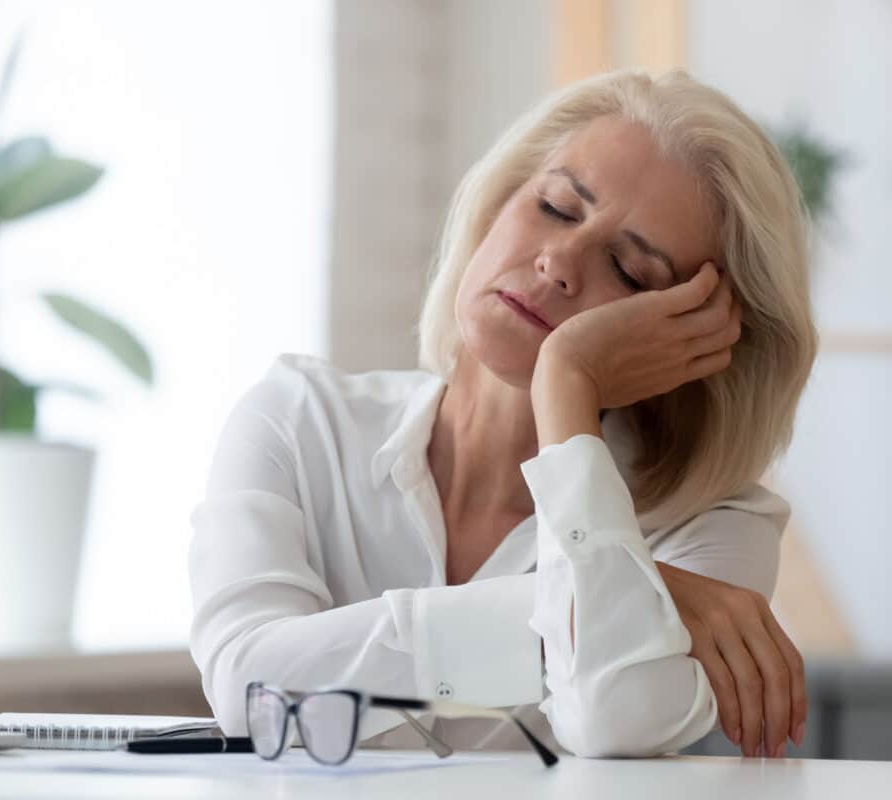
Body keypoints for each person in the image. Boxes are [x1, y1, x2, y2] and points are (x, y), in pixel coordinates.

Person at [188, 68, 817, 760]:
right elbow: (250, 691)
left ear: (700, 341)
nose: (559, 261)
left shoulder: (713, 527)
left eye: (631, 272)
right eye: (555, 207)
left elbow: (614, 718)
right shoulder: (299, 420)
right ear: (498, 201)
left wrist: (568, 380)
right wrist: (605, 601)